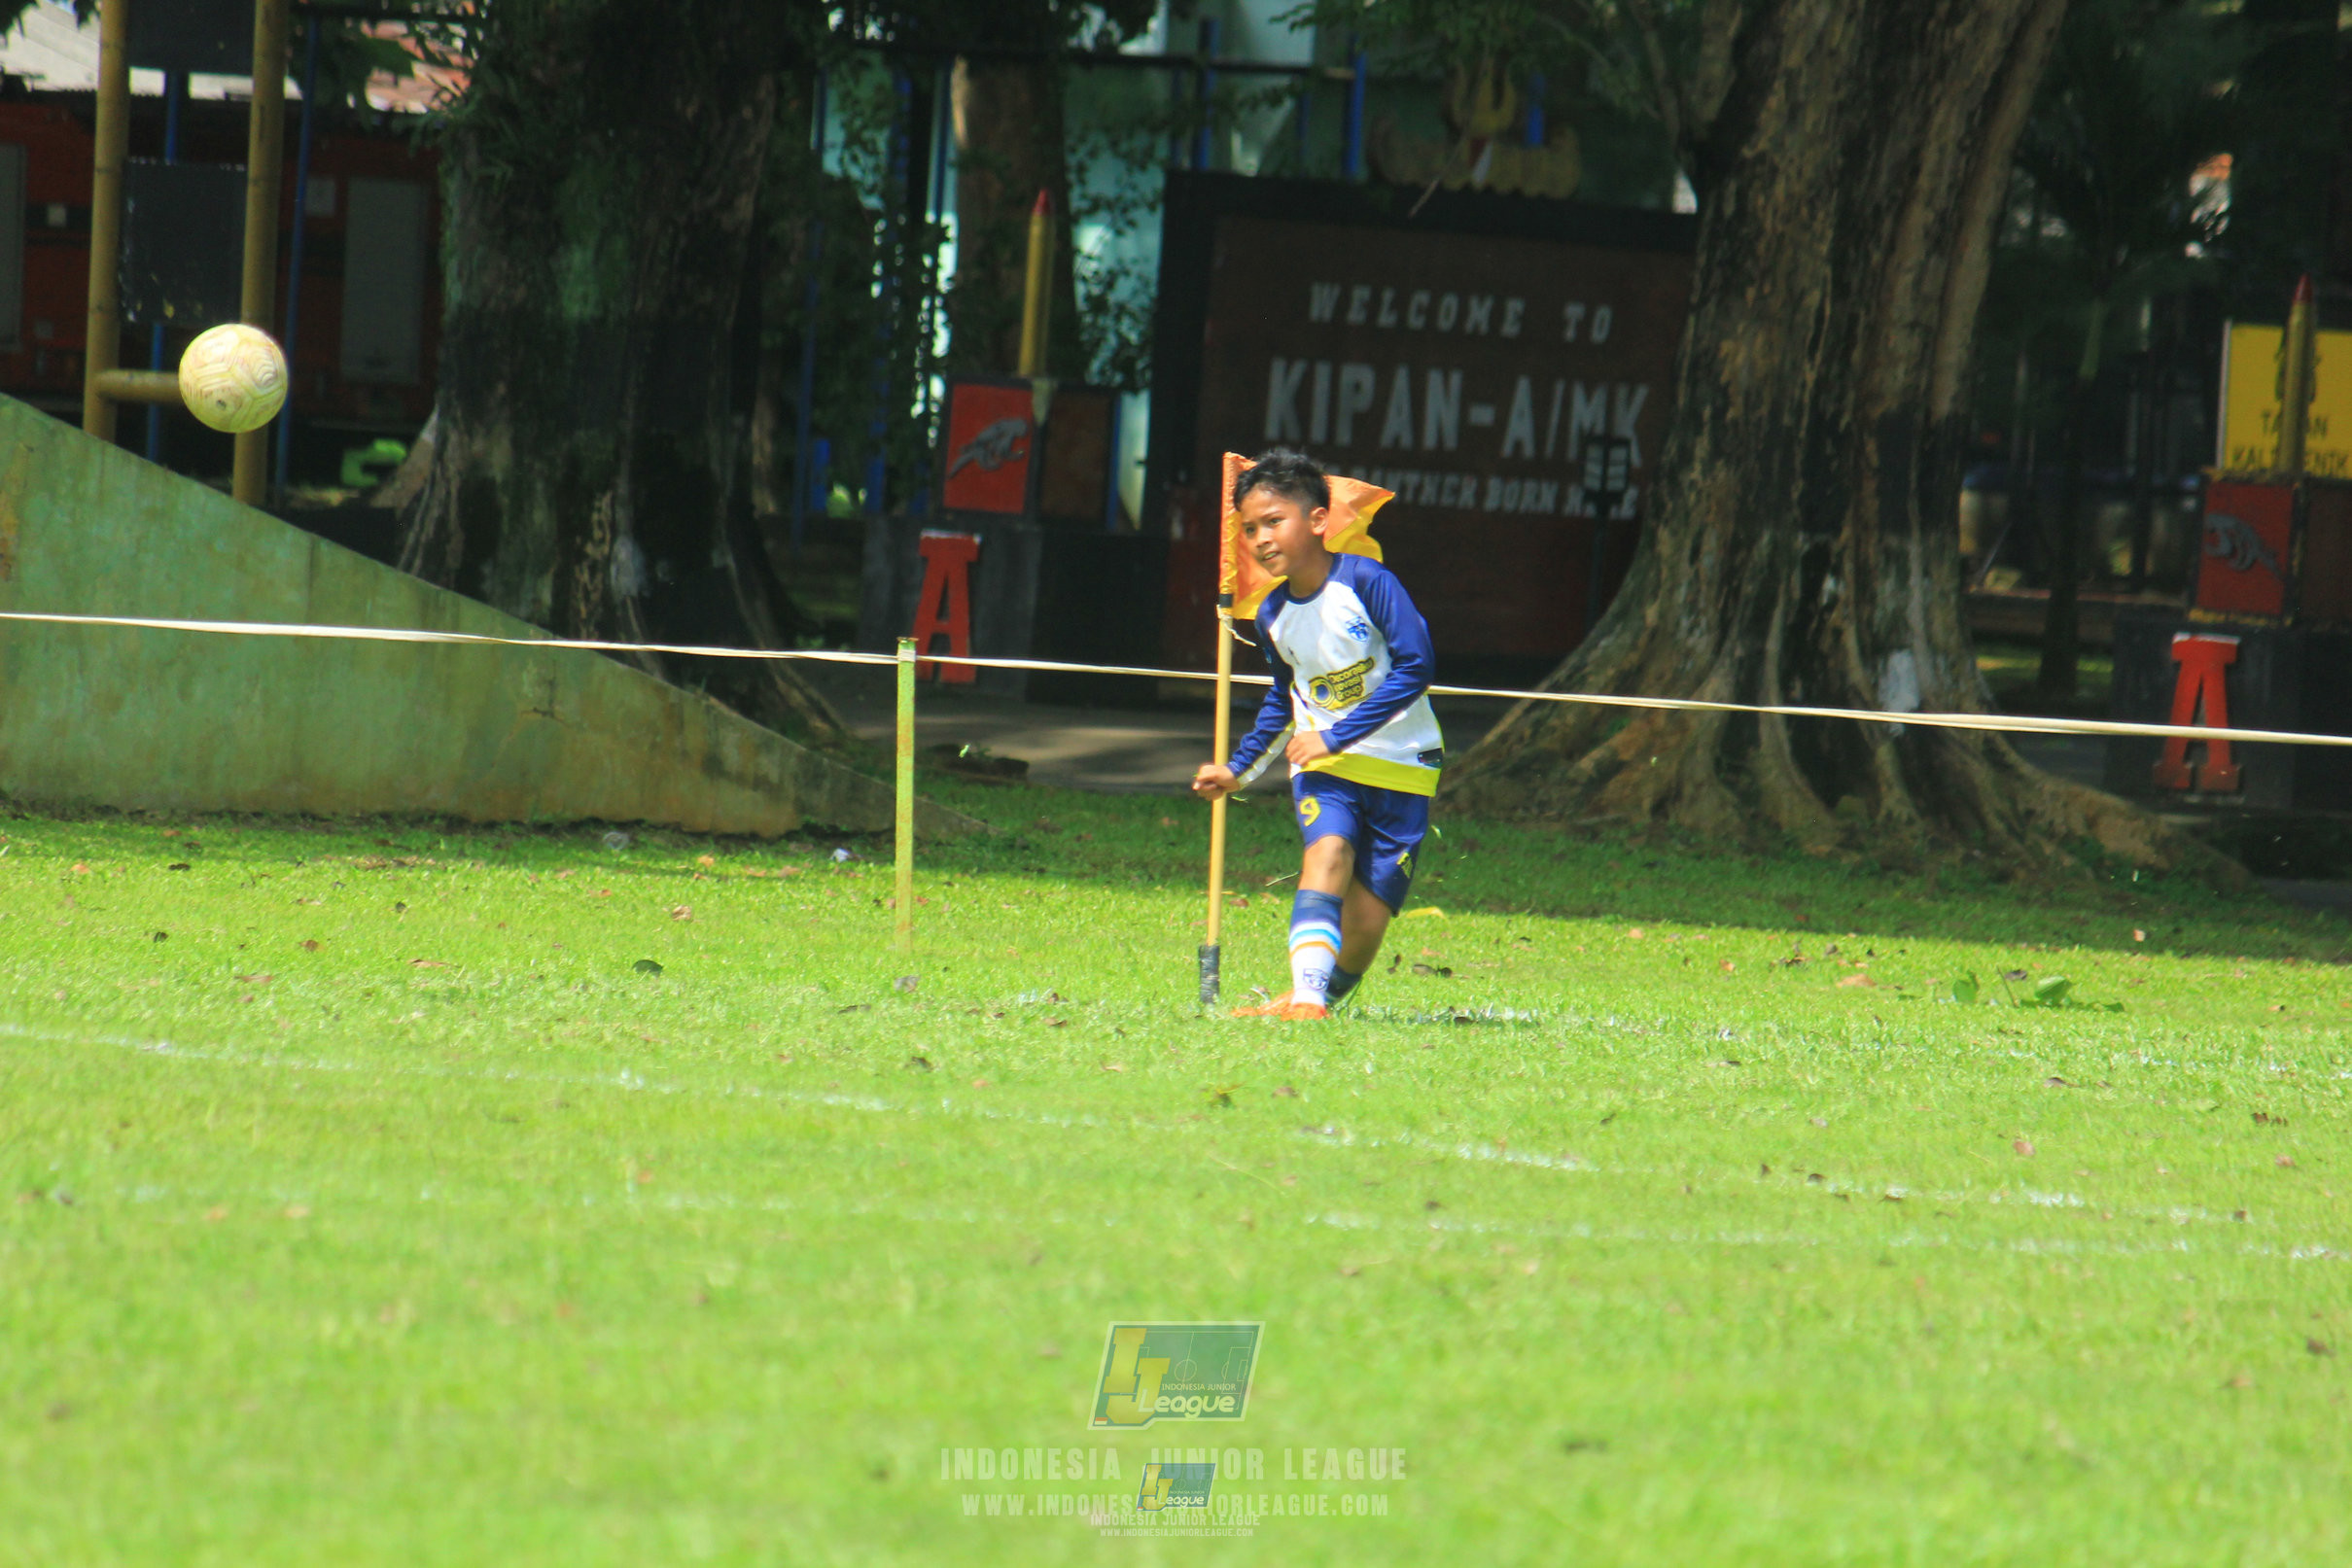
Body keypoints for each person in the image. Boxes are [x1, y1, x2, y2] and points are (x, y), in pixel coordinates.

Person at [1192, 449, 1443, 1021]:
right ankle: (1306, 998)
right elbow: (1284, 702)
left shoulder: (1369, 582)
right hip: (1323, 770)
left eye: (1273, 521)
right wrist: (1236, 770)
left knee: (1367, 925)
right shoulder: (1271, 615)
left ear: (1320, 521)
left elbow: (1416, 666)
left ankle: (1314, 999)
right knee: (1327, 853)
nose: (1259, 539)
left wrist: (1338, 736)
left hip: (1403, 764)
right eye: (1249, 528)